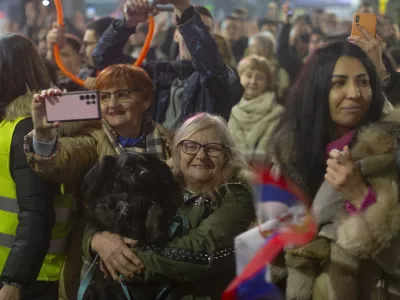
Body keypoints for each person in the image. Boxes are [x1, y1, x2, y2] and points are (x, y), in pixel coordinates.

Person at [268, 39, 400, 299]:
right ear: (317, 89)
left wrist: (362, 197)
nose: (354, 93)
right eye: (339, 83)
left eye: (363, 81)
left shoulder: (389, 152)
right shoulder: (290, 154)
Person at [83, 113, 255, 299]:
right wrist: (98, 241)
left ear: (227, 155)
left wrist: (120, 260)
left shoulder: (236, 195)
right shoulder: (159, 181)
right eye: (190, 146)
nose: (201, 156)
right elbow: (105, 212)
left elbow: (202, 251)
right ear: (178, 151)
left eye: (213, 149)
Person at [91, 0, 243, 131]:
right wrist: (127, 23)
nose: (195, 34)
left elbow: (211, 71)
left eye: (205, 30)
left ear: (211, 39)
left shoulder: (222, 76)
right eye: (186, 28)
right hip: (153, 157)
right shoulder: (156, 72)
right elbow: (102, 60)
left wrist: (184, 9)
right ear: (176, 34)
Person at [0, 33, 72, 300]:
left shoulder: (27, 129)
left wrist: (14, 281)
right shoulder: (10, 125)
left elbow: (37, 212)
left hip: (31, 278)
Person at [228, 55, 284, 163]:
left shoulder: (278, 114)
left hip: (264, 177)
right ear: (239, 77)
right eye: (248, 75)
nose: (253, 81)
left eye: (260, 77)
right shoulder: (230, 110)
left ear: (267, 82)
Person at [246, 33, 291, 103]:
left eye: (253, 47)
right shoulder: (244, 68)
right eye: (250, 47)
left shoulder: (280, 72)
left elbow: (282, 93)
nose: (250, 50)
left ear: (265, 50)